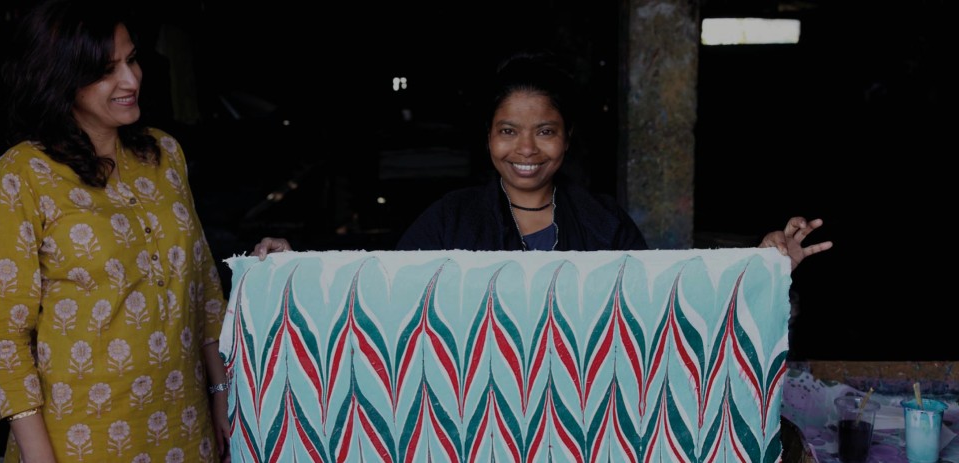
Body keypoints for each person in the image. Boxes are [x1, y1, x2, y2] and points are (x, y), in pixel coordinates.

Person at [252, 52, 831, 271]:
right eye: (509, 131)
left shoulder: (604, 224)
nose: (526, 150)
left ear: (567, 138)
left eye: (544, 132)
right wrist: (289, 269)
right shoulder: (450, 219)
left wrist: (761, 265)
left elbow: (667, 303)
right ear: (488, 138)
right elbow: (379, 292)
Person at [0, 1, 230, 461]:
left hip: (186, 432)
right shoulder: (21, 175)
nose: (130, 81)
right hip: (79, 441)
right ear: (60, 79)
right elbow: (3, 338)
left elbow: (204, 288)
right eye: (105, 70)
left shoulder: (165, 155)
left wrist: (220, 392)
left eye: (131, 60)